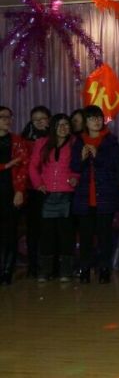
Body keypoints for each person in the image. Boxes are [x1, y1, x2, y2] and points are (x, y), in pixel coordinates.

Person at [70, 105, 119, 284]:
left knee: (105, 236)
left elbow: (116, 165)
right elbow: (74, 167)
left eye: (99, 118)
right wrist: (82, 158)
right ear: (85, 122)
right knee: (85, 236)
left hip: (105, 195)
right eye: (92, 118)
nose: (96, 121)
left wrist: (98, 156)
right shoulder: (78, 141)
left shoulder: (111, 141)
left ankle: (104, 269)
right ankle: (85, 269)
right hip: (84, 197)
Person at [28, 114, 79, 283]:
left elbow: (79, 166)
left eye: (66, 124)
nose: (63, 128)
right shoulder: (42, 143)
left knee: (66, 234)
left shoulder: (75, 143)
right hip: (47, 194)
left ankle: (66, 271)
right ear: (53, 127)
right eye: (59, 125)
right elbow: (33, 167)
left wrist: (75, 177)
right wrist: (38, 184)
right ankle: (46, 270)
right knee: (47, 234)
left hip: (67, 193)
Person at [0, 107, 29, 285]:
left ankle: (7, 272)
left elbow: (24, 166)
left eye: (9, 117)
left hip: (10, 190)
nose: (7, 120)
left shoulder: (17, 140)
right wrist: (6, 165)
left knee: (10, 232)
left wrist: (19, 191)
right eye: (2, 117)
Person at [21, 105, 50, 278]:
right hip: (31, 190)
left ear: (49, 119)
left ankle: (49, 265)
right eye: (35, 120)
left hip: (51, 189)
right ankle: (33, 265)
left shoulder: (57, 138)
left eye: (42, 118)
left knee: (49, 228)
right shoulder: (24, 139)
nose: (39, 122)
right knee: (33, 229)